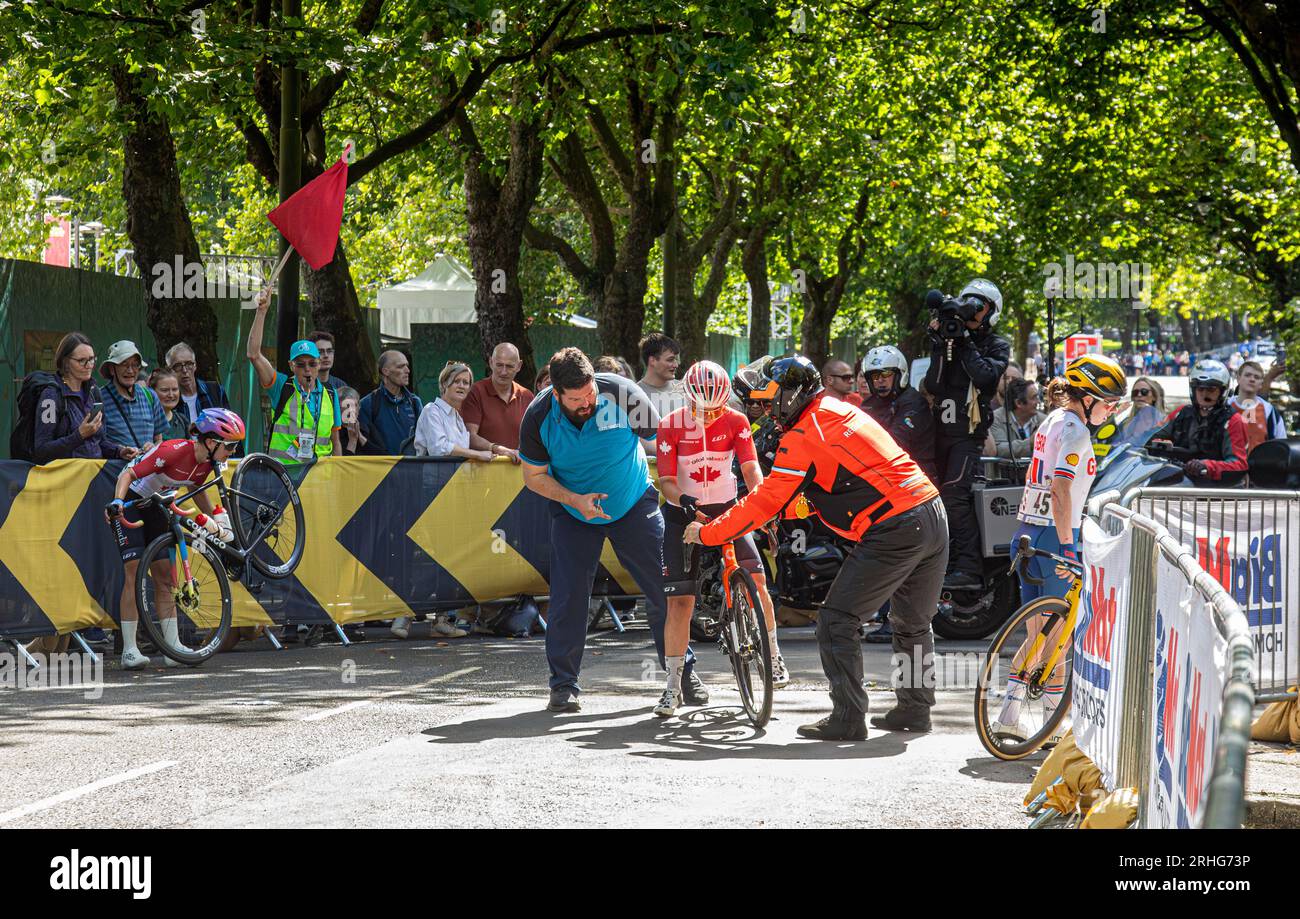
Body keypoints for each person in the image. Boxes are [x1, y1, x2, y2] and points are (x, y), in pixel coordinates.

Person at [685, 356, 948, 739]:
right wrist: (784, 511)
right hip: (929, 512)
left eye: (770, 399)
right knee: (913, 623)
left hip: (896, 525)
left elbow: (766, 501)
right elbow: (836, 485)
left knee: (836, 620)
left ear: (790, 396)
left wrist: (710, 533)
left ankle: (848, 716)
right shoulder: (834, 411)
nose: (766, 409)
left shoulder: (805, 433)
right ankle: (914, 709)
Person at [519, 348, 701, 713]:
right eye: (576, 399)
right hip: (574, 511)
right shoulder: (538, 416)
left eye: (590, 394)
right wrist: (575, 500)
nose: (587, 402)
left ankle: (681, 673)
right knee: (569, 596)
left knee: (663, 587)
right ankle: (564, 685)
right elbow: (533, 477)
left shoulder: (622, 393)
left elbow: (660, 442)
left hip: (633, 500)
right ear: (556, 394)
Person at [991, 355, 1125, 740]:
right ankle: (1051, 721)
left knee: (1038, 637)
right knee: (1057, 638)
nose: (1111, 409)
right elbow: (1062, 489)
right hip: (1055, 536)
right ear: (1087, 398)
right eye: (1108, 401)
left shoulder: (1052, 419)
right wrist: (1069, 548)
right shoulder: (1079, 432)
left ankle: (1011, 713)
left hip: (1027, 532)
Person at [654, 361, 787, 717]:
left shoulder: (736, 421)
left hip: (727, 508)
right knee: (680, 602)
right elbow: (666, 480)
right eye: (701, 409)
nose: (709, 416)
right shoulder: (670, 426)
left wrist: (761, 500)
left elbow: (749, 467)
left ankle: (773, 656)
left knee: (757, 580)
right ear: (687, 399)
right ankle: (672, 686)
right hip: (682, 511)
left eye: (716, 409)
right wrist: (685, 502)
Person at [104, 409, 244, 670]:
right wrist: (117, 502)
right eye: (230, 445)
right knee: (133, 574)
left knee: (167, 578)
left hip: (157, 505)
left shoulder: (206, 463)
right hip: (131, 500)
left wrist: (216, 518)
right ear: (211, 442)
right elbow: (128, 475)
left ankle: (172, 647)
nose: (233, 451)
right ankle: (130, 651)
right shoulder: (173, 450)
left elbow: (195, 488)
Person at [924, 278, 1011, 590]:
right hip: (937, 434)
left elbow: (986, 378)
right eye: (967, 302)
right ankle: (937, 563)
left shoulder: (997, 345)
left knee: (954, 496)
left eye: (978, 305)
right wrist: (940, 344)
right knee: (929, 499)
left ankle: (970, 569)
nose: (972, 310)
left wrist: (964, 343)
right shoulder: (949, 338)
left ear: (990, 311)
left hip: (967, 435)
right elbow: (933, 384)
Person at [858, 345, 939, 645]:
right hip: (882, 490)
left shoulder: (912, 404)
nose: (880, 381)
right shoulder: (867, 407)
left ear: (900, 375)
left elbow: (895, 444)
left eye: (886, 375)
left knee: (897, 556)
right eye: (875, 375)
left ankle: (893, 620)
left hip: (914, 491)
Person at [248, 288, 342, 462]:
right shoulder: (282, 386)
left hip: (320, 477)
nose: (307, 369)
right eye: (300, 364)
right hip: (284, 476)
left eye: (312, 364)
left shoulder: (330, 394)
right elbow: (254, 354)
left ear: (319, 364)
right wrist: (261, 312)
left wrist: (337, 477)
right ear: (291, 366)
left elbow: (335, 442)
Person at [33, 332, 137, 464]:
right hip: (64, 479)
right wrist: (79, 435)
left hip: (93, 476)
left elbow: (98, 442)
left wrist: (119, 451)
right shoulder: (51, 397)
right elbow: (42, 450)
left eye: (92, 359)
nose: (89, 365)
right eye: (82, 361)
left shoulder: (94, 392)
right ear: (65, 362)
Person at [1148, 359, 1249, 485]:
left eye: (1211, 390)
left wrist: (1206, 465)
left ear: (1222, 391)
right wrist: (1134, 441)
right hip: (1178, 480)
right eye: (1200, 389)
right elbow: (1152, 435)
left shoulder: (1232, 420)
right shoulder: (1181, 413)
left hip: (1215, 490)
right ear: (1193, 390)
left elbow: (1239, 464)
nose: (1204, 394)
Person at [413, 361, 514, 462]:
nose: (461, 386)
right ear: (444, 384)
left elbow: (462, 452)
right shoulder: (431, 410)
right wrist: (477, 454)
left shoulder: (458, 418)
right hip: (434, 476)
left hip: (457, 476)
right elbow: (439, 448)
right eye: (456, 381)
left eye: (465, 383)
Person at [462, 343, 533, 459]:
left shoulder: (527, 396)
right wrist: (497, 449)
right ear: (491, 362)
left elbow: (535, 438)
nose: (504, 372)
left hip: (518, 472)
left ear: (519, 366)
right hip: (483, 472)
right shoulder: (476, 392)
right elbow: (468, 437)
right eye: (499, 365)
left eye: (509, 366)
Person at [100, 340, 166, 452]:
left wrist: (154, 447)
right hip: (114, 468)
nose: (130, 370)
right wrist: (119, 451)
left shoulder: (150, 396)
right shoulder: (99, 399)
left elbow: (159, 439)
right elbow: (96, 443)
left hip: (146, 468)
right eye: (124, 364)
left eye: (135, 365)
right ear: (112, 369)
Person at [358, 350, 422, 455]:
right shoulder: (367, 404)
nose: (407, 370)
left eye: (407, 365)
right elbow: (364, 445)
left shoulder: (415, 402)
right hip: (380, 469)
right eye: (400, 366)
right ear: (385, 371)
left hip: (412, 469)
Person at [165, 341, 231, 426]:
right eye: (178, 366)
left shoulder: (214, 390)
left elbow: (231, 425)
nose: (185, 370)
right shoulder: (169, 400)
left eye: (189, 364)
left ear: (195, 365)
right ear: (169, 370)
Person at [1229, 360, 1287, 454]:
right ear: (1238, 378)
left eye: (1257, 377)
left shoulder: (1270, 412)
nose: (1252, 379)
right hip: (1229, 467)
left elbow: (1282, 446)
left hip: (1261, 467)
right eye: (1247, 375)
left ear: (1261, 384)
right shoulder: (1224, 407)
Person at [986, 377, 1046, 463]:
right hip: (1004, 475)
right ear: (1018, 403)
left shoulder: (1045, 421)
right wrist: (1030, 443)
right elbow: (999, 450)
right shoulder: (995, 419)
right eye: (1034, 398)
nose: (1038, 402)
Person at [636, 332, 687, 418]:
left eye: (676, 360)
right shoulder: (635, 394)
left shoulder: (686, 390)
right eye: (670, 360)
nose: (676, 365)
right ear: (652, 361)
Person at [1112, 376, 1167, 447]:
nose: (1139, 395)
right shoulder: (1124, 423)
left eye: (1144, 392)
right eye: (1135, 392)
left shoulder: (1165, 424)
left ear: (1154, 396)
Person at [150, 369, 190, 441]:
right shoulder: (146, 421)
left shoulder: (182, 420)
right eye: (164, 390)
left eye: (175, 389)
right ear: (152, 391)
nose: (171, 395)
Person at [337, 387, 367, 456]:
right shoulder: (334, 432)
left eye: (355, 405)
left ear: (359, 408)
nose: (351, 410)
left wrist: (361, 437)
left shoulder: (365, 427)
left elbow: (383, 455)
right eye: (347, 406)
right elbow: (342, 465)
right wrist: (352, 440)